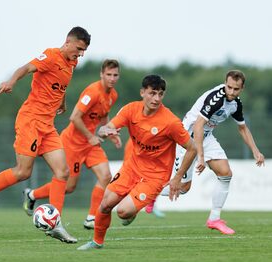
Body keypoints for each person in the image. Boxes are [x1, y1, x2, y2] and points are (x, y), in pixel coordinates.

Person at [0, 26, 91, 244]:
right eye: (79, 49)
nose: (80, 54)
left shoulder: (72, 63)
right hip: (30, 120)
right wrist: (11, 81)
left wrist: (61, 101)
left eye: (83, 51)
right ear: (68, 42)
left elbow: (59, 85)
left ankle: (56, 223)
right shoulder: (51, 55)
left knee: (62, 172)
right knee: (23, 172)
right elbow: (25, 68)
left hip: (47, 125)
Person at [77, 75, 197, 250]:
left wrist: (177, 178)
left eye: (160, 94)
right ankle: (97, 243)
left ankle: (131, 210)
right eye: (152, 93)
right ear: (142, 92)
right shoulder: (130, 110)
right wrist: (104, 131)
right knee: (105, 204)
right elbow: (107, 127)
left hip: (155, 176)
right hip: (131, 168)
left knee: (123, 212)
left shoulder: (170, 122)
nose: (156, 98)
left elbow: (192, 148)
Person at [158, 70, 265, 234]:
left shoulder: (236, 104)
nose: (231, 92)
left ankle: (214, 219)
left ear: (241, 89)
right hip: (186, 138)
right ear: (225, 83)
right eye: (229, 87)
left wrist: (256, 151)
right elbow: (198, 125)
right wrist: (200, 156)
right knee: (183, 187)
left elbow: (242, 128)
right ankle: (148, 193)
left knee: (225, 173)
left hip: (205, 137)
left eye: (235, 89)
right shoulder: (216, 98)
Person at [22, 59, 122, 230]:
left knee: (106, 176)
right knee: (69, 187)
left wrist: (110, 131)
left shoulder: (112, 95)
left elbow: (104, 116)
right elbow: (74, 117)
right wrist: (91, 136)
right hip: (73, 143)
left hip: (90, 144)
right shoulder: (92, 92)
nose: (112, 78)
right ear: (101, 74)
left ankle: (91, 217)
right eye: (109, 74)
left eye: (115, 75)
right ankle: (32, 194)